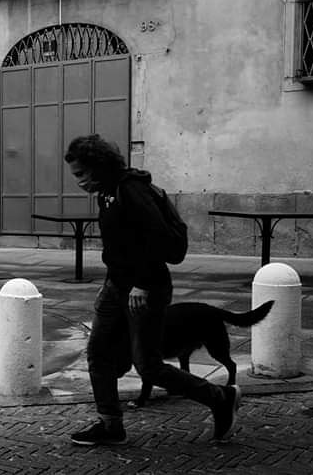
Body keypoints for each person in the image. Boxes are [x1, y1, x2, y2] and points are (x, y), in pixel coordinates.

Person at [63, 134, 241, 446]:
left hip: (144, 289)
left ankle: (221, 397)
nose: (78, 182)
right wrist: (111, 285)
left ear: (99, 166)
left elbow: (157, 238)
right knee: (99, 355)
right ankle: (110, 425)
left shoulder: (130, 189)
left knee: (149, 366)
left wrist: (142, 283)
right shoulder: (107, 192)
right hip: (116, 287)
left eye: (81, 174)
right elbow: (124, 245)